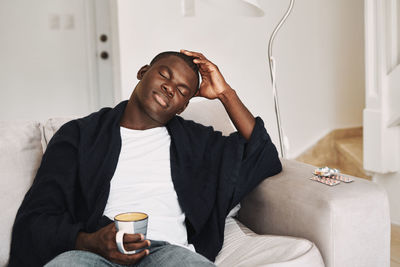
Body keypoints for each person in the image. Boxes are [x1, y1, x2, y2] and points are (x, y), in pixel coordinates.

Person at [9, 49, 282, 267]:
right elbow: (36, 218)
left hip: (167, 253)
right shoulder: (80, 136)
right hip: (94, 252)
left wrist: (225, 93)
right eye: (165, 75)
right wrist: (89, 241)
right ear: (142, 73)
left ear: (184, 106)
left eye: (183, 90)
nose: (170, 88)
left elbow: (263, 154)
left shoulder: (197, 144)